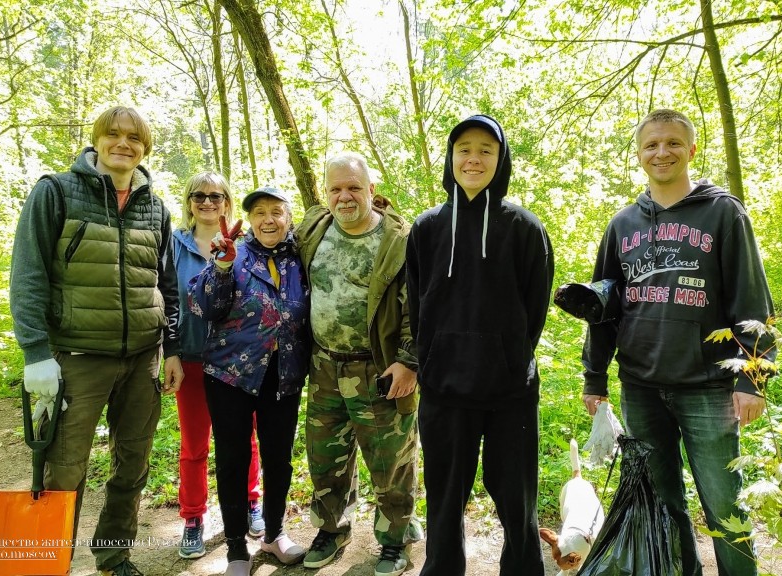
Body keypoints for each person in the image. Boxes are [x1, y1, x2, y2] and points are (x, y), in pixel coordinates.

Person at [580, 108, 776, 576]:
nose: (661, 152)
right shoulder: (622, 224)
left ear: (691, 150)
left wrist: (753, 377)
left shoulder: (723, 213)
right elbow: (603, 306)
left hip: (708, 385)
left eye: (672, 143)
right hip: (641, 387)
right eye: (651, 145)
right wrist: (594, 376)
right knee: (662, 505)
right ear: (639, 154)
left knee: (725, 508)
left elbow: (752, 297)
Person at [10, 105, 184, 576]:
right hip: (77, 359)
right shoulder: (56, 193)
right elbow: (28, 275)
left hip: (144, 359)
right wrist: (36, 353)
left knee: (132, 467)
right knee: (64, 470)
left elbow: (165, 284)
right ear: (98, 139)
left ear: (145, 148)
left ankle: (114, 556)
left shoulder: (155, 207)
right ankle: (48, 564)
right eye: (114, 134)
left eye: (134, 137)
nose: (123, 143)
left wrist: (171, 349)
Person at [406, 114, 554, 576]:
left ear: (501, 159)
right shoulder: (427, 228)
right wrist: (432, 359)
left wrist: (508, 356)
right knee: (445, 498)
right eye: (464, 149)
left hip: (509, 390)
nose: (474, 158)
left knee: (516, 496)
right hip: (445, 389)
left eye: (486, 150)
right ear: (450, 159)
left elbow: (535, 309)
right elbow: (416, 304)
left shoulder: (525, 229)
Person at [294, 152, 421, 576]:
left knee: (391, 463)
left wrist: (409, 362)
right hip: (324, 368)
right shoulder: (313, 228)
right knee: (325, 459)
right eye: (335, 188)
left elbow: (420, 309)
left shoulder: (399, 240)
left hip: (380, 370)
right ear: (325, 193)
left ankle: (394, 539)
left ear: (371, 189)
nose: (344, 196)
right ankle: (332, 530)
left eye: (353, 187)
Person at [188, 186, 311, 575]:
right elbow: (204, 306)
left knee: (278, 458)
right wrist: (221, 267)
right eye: (259, 213)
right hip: (229, 375)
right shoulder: (234, 252)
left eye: (276, 211)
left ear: (289, 217)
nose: (268, 220)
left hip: (284, 374)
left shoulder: (302, 256)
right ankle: (237, 548)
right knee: (232, 460)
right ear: (250, 220)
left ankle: (274, 534)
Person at [171, 173, 265, 560]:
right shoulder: (173, 246)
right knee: (194, 445)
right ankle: (193, 518)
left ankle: (251, 502)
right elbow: (165, 297)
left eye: (216, 196)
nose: (208, 202)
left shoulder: (246, 245)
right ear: (189, 201)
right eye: (199, 196)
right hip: (191, 359)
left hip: (237, 361)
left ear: (227, 201)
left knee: (246, 438)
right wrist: (170, 351)